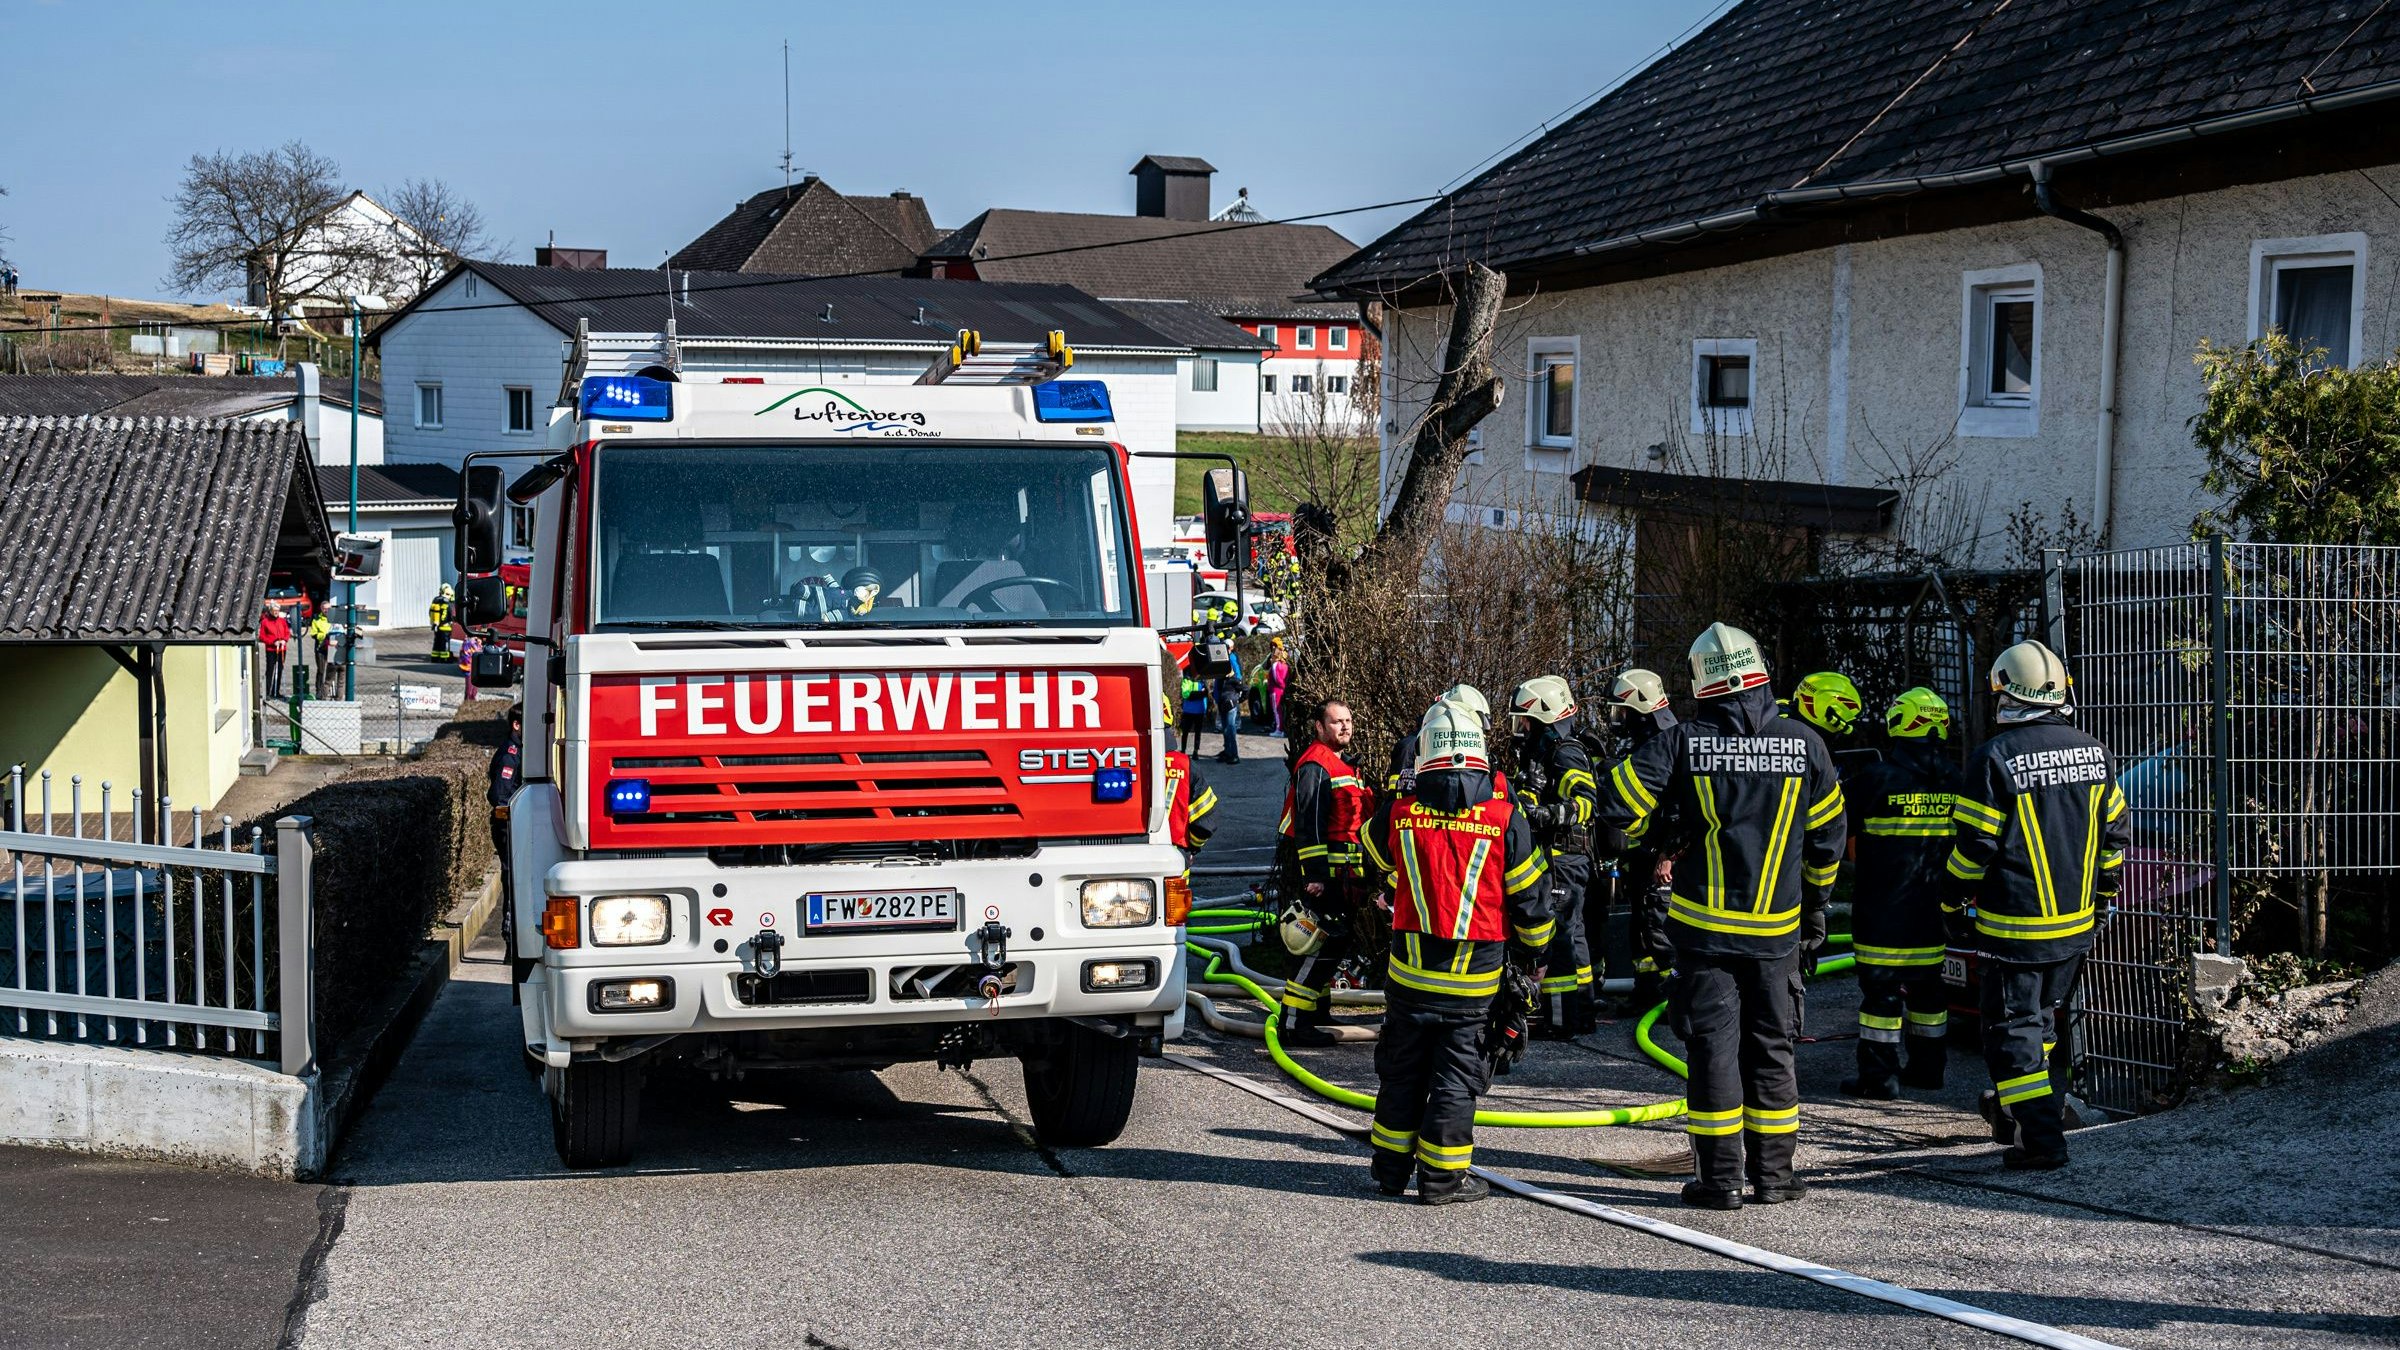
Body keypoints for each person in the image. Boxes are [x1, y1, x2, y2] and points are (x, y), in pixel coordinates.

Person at [1600, 622, 1846, 1210]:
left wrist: (1659, 834)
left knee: (1712, 1051)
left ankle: (1718, 1183)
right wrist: (1815, 912)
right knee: (1773, 1050)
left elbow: (1615, 818)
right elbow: (1827, 842)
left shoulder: (1681, 740)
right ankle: (1776, 1178)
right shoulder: (1805, 743)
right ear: (1760, 670)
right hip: (1777, 933)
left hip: (1704, 935)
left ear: (1701, 682)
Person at [1358, 700, 1551, 1204]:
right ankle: (1442, 1181)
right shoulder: (1504, 817)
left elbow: (1372, 848)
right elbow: (1531, 901)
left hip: (1409, 978)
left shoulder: (1400, 813)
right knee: (1455, 1079)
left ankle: (1390, 1173)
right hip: (1473, 984)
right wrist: (1533, 961)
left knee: (1401, 1072)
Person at [1946, 641, 2128, 1171]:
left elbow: (1973, 848)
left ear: (2004, 694)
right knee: (2042, 1026)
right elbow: (2114, 839)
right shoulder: (2094, 751)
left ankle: (2042, 1138)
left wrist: (1950, 899)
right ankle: (2018, 1114)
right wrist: (2104, 901)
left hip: (2014, 929)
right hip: (2075, 929)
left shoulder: (1994, 758)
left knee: (2013, 1030)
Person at [1840, 687, 1961, 1100]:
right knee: (1929, 992)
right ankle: (1929, 1070)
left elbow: (1832, 831)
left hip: (1882, 912)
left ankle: (1880, 1080)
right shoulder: (1958, 780)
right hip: (1935, 911)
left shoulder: (1874, 781)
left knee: (1881, 996)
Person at [1275, 698, 1375, 1044]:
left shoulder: (1341, 765)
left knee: (1332, 944)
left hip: (1345, 874)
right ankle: (1293, 1024)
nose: (1344, 726)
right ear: (1319, 727)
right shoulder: (1317, 765)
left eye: (1348, 720)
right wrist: (1315, 875)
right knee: (1317, 946)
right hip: (1327, 876)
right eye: (1336, 722)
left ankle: (1315, 1012)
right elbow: (1309, 824)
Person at [1510, 675, 1601, 1037]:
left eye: (1526, 720)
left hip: (1564, 857)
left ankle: (1563, 1021)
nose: (1522, 728)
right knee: (1571, 936)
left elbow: (1585, 802)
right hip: (1559, 858)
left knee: (1561, 937)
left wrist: (1543, 815)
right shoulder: (1544, 752)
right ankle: (1580, 1013)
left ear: (1544, 718)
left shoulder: (1565, 752)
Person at [1603, 669, 1679, 1008]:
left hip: (1663, 856)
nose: (1618, 719)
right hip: (1644, 852)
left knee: (1659, 927)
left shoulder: (1668, 743)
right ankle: (1647, 994)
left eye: (1622, 710)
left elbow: (1679, 809)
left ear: (1640, 706)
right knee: (1642, 928)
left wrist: (1668, 855)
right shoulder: (1650, 740)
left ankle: (1674, 999)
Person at [1163, 694, 1219, 883]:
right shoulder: (1185, 766)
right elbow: (1206, 821)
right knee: (1173, 912)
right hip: (1175, 858)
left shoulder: (1119, 762)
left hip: (1128, 860)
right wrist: (1191, 848)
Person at [1213, 647, 1246, 764]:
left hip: (1230, 705)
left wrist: (1238, 700)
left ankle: (1234, 755)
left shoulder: (1232, 679)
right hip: (1224, 704)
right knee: (1227, 730)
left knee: (1230, 730)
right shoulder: (1222, 678)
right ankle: (1228, 752)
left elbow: (1245, 689)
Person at [258, 606, 292, 699]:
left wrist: (285, 640)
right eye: (274, 611)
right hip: (271, 649)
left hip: (282, 648)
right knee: (270, 670)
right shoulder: (265, 622)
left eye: (278, 610)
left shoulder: (282, 621)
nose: (276, 612)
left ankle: (276, 691)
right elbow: (262, 636)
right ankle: (267, 692)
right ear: (270, 611)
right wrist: (272, 642)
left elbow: (287, 632)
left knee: (280, 669)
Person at [1178, 673, 1210, 757]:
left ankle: (1189, 751)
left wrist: (1193, 694)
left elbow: (1187, 694)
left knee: (1188, 731)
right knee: (1193, 732)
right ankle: (1191, 751)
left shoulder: (1188, 681)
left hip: (1191, 710)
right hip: (1196, 710)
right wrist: (1200, 694)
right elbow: (1186, 695)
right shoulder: (1201, 681)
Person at [306, 610, 333, 698]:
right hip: (320, 648)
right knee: (321, 670)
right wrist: (324, 636)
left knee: (332, 670)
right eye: (324, 608)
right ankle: (319, 691)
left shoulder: (334, 618)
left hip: (332, 647)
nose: (326, 610)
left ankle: (329, 690)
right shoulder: (316, 620)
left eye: (328, 608)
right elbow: (313, 634)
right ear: (321, 609)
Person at [1267, 641, 1290, 737]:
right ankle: (1281, 729)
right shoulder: (1286, 666)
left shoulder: (1275, 665)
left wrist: (1282, 686)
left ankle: (1279, 729)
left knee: (1276, 711)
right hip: (1282, 690)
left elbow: (1277, 678)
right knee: (1281, 711)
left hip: (1276, 691)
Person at [429, 584, 455, 660]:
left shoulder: (436, 601)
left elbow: (430, 613)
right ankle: (445, 658)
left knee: (437, 642)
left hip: (437, 626)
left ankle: (435, 658)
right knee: (445, 643)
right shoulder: (449, 604)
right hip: (446, 627)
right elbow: (451, 615)